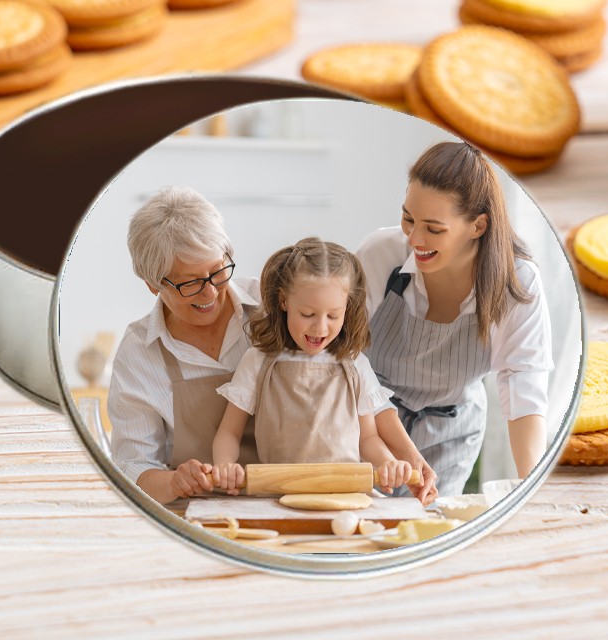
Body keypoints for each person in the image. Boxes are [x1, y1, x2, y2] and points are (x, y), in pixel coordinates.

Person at [357, 141, 553, 497]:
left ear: (477, 226)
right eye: (408, 218)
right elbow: (345, 357)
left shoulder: (517, 284)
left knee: (430, 535)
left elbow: (523, 390)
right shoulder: (379, 255)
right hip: (369, 426)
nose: (414, 238)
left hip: (452, 434)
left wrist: (532, 491)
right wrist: (395, 450)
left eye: (434, 228)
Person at [211, 237, 415, 496]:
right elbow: (229, 431)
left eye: (333, 316)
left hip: (346, 495)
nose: (320, 328)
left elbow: (368, 439)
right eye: (308, 314)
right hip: (277, 494)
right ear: (284, 302)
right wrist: (225, 466)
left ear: (347, 308)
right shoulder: (259, 361)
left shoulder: (354, 364)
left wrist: (388, 463)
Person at [107, 186, 260, 505]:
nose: (211, 294)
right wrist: (174, 482)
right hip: (199, 515)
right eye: (190, 283)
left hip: (291, 498)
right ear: (152, 284)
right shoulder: (139, 353)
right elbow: (132, 467)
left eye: (217, 271)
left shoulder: (271, 306)